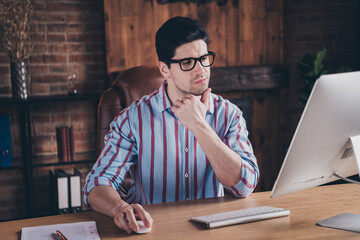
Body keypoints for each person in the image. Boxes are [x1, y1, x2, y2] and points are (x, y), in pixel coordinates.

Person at [83, 16, 259, 233]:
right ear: (165, 70)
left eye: (204, 58)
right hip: (153, 231)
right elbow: (97, 183)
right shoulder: (132, 119)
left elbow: (245, 185)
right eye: (187, 63)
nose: (201, 70)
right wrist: (120, 207)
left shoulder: (229, 115)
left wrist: (199, 126)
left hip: (212, 232)